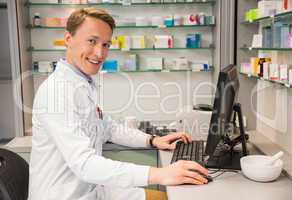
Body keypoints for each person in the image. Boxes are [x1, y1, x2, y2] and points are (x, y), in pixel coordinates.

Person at [28, 7, 208, 200]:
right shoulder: (56, 91)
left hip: (90, 190)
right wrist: (160, 174)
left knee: (162, 198)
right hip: (65, 195)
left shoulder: (82, 82)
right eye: (92, 41)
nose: (99, 53)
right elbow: (84, 164)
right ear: (68, 39)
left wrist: (152, 140)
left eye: (106, 44)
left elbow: (108, 128)